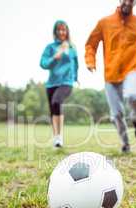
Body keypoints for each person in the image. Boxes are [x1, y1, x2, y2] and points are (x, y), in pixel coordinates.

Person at [85, 0, 136, 154]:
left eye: (131, 0)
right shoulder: (104, 22)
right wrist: (91, 61)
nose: (128, 2)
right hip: (111, 73)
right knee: (116, 115)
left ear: (135, 3)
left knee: (133, 95)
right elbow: (91, 44)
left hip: (132, 67)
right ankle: (126, 144)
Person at [40, 20, 79, 149]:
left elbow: (76, 65)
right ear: (55, 32)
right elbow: (43, 64)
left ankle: (60, 136)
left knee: (56, 102)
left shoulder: (72, 47)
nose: (61, 32)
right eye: (59, 30)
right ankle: (56, 139)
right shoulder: (50, 48)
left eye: (64, 29)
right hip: (52, 83)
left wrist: (76, 78)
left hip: (67, 82)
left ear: (67, 31)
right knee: (53, 109)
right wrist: (53, 58)